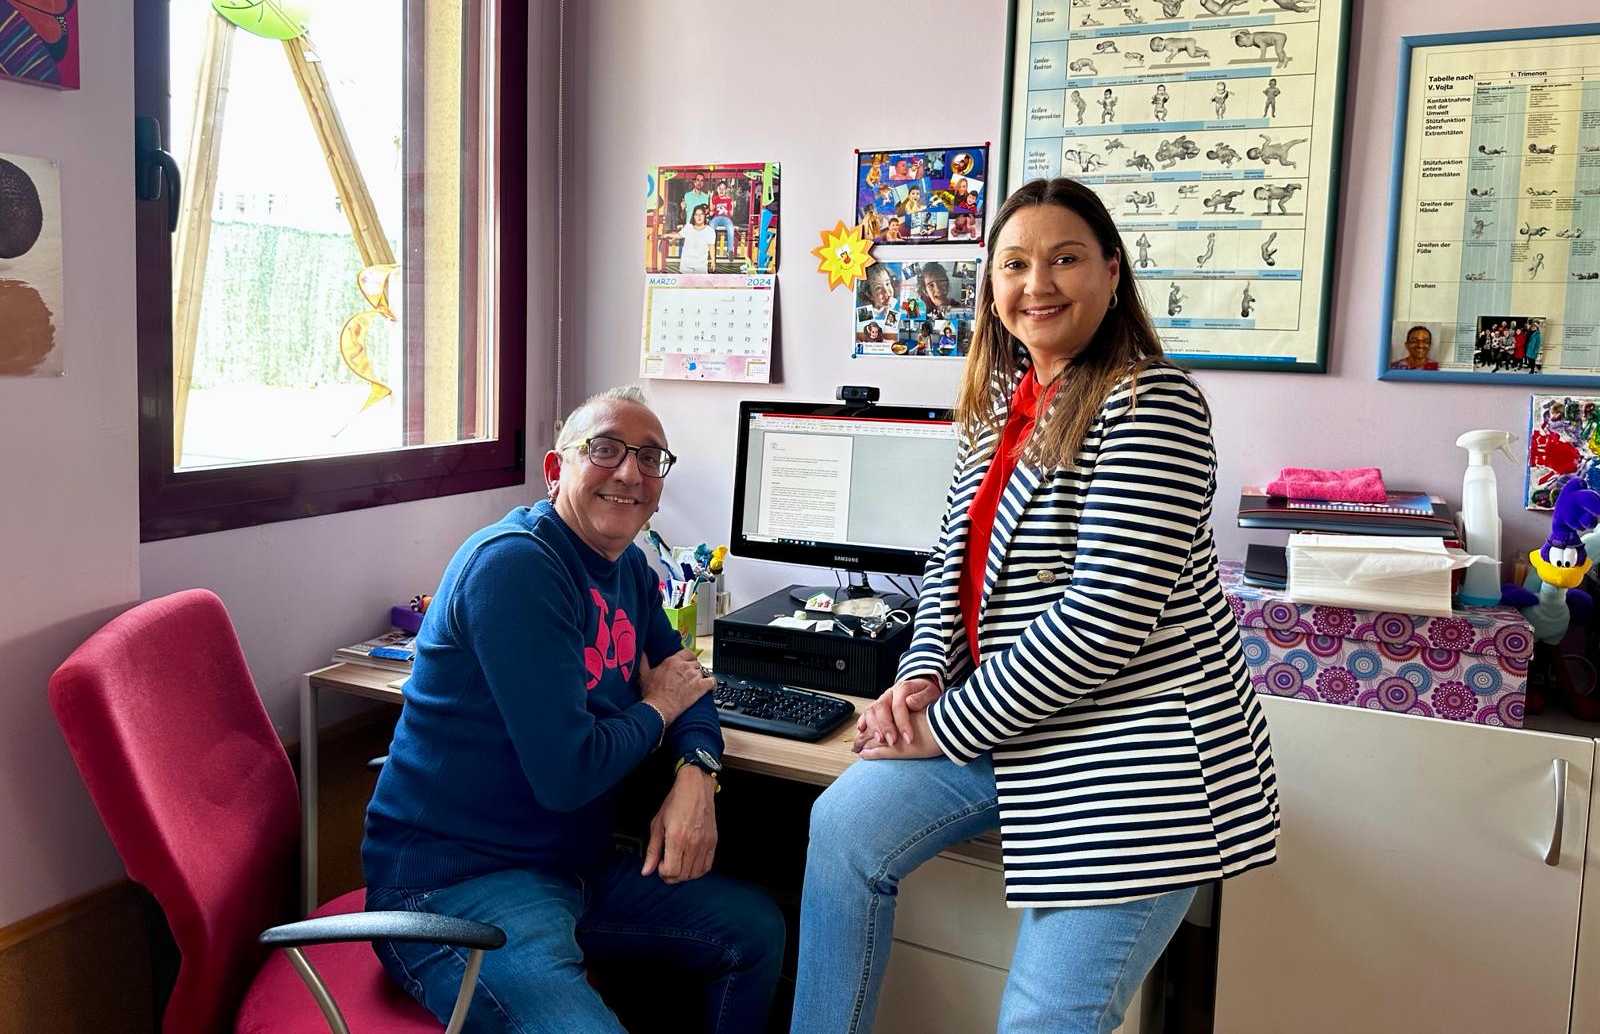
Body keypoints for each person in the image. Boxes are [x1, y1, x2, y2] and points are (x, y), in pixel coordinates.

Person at [790, 178, 1279, 1034]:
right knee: (841, 826)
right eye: (1015, 264)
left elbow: (1103, 621)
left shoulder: (1153, 403)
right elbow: (950, 569)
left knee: (1045, 1020)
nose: (1037, 283)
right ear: (991, 285)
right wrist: (919, 678)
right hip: (1017, 722)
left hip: (1137, 755)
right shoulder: (999, 410)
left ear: (1112, 273)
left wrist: (940, 727)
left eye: (1064, 259)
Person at [364, 387, 784, 1033]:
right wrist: (659, 707)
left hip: (572, 868)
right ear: (556, 470)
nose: (629, 472)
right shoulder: (515, 569)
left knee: (754, 931)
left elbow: (687, 682)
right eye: (607, 449)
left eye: (650, 458)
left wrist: (697, 773)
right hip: (456, 884)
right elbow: (569, 774)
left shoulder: (632, 571)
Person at [677, 204, 716, 273]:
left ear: (705, 216)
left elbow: (711, 246)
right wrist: (665, 235)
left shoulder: (710, 231)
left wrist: (713, 261)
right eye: (696, 214)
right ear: (693, 216)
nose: (699, 217)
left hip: (701, 267)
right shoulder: (688, 227)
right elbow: (679, 235)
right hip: (686, 266)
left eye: (701, 214)